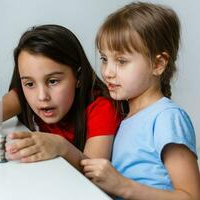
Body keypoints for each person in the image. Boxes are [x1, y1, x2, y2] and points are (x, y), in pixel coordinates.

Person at [81, 2, 200, 199]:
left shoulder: (167, 117)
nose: (108, 72)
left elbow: (192, 196)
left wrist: (123, 186)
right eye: (104, 59)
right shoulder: (126, 116)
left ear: (158, 64)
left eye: (121, 61)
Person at [0, 24, 121, 170]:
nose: (42, 96)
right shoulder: (23, 96)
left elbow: (95, 173)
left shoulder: (102, 107)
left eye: (53, 81)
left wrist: (61, 147)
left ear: (78, 77)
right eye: (29, 83)